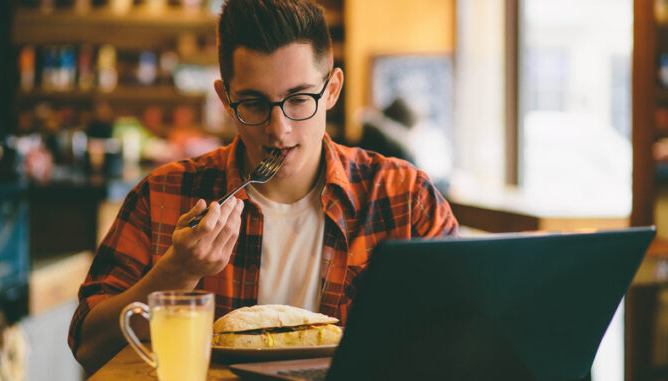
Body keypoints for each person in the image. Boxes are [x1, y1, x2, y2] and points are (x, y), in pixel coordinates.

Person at [68, 0, 458, 374]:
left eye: (300, 98)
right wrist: (175, 274)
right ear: (226, 99)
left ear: (333, 90)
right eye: (254, 104)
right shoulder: (163, 195)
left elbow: (464, 335)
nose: (279, 130)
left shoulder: (405, 196)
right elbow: (88, 347)